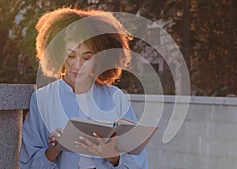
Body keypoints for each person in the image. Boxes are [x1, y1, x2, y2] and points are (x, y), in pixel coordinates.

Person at [18, 7, 148, 169]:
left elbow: (138, 162)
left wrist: (112, 156)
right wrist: (55, 149)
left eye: (87, 57)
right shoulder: (42, 99)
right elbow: (27, 162)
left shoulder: (115, 97)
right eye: (71, 55)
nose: (77, 65)